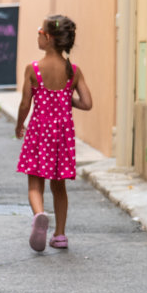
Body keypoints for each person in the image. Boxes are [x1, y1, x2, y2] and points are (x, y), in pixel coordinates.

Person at [14, 15, 93, 251]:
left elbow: (25, 104)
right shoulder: (73, 71)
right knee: (59, 187)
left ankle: (39, 215)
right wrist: (66, 101)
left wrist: (20, 125)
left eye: (40, 31)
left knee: (35, 185)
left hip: (39, 132)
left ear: (47, 38)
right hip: (62, 136)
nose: (37, 34)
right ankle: (59, 235)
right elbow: (87, 103)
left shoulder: (34, 69)